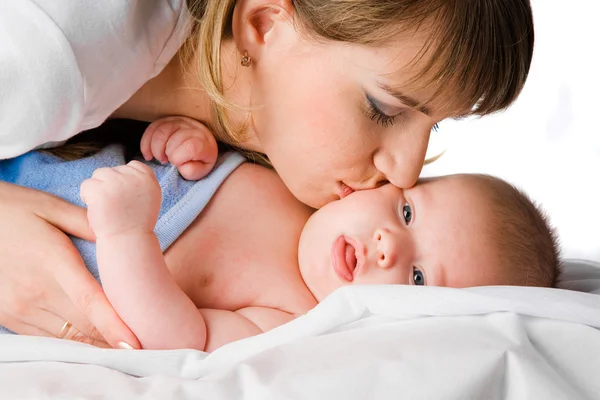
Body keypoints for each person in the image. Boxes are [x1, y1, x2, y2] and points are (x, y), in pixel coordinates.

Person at [0, 0, 535, 348]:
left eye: (435, 129)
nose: (407, 170)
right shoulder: (46, 56)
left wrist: (180, 144)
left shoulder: (287, 181)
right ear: (264, 22)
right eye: (383, 108)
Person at [0, 143, 559, 351]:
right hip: (34, 158)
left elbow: (175, 338)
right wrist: (179, 139)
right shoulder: (299, 178)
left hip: (38, 277)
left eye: (417, 279)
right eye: (407, 212)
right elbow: (204, 150)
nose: (389, 245)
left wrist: (127, 237)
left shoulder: (295, 317)